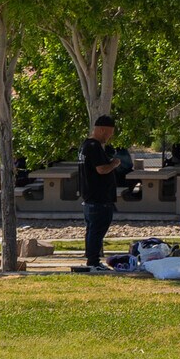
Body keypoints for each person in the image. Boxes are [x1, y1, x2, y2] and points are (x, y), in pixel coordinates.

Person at [79, 114, 125, 271]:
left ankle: (91, 259)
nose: (110, 136)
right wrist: (114, 163)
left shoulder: (84, 146)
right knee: (97, 230)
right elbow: (101, 169)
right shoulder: (93, 146)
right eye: (109, 133)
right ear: (102, 129)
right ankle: (93, 262)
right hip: (99, 198)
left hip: (90, 197)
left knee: (92, 230)